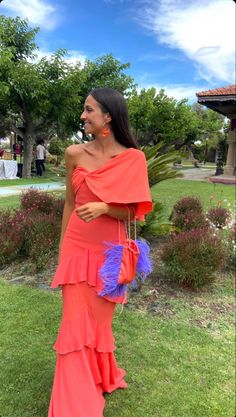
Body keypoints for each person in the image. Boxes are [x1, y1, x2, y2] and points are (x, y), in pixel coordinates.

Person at [47, 87, 153, 417]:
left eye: (89, 110)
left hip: (110, 256)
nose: (83, 116)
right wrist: (63, 247)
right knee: (74, 323)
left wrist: (106, 207)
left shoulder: (133, 158)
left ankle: (100, 375)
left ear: (108, 115)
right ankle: (74, 403)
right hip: (77, 249)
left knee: (100, 325)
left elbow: (134, 213)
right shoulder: (74, 153)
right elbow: (69, 203)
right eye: (84, 109)